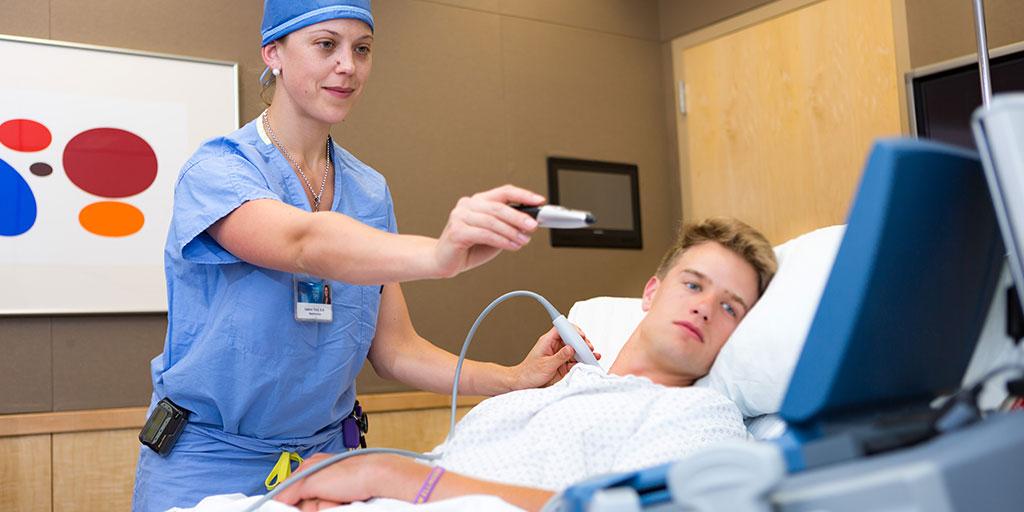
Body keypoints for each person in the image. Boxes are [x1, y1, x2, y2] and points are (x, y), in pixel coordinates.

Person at [132, 1, 589, 510]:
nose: (348, 65)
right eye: (326, 45)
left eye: (362, 49)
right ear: (273, 53)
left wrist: (510, 379)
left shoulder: (368, 191)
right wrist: (440, 256)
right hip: (209, 460)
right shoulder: (218, 170)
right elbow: (302, 244)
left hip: (328, 464)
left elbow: (395, 351)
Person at [272, 218, 778, 512]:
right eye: (693, 284)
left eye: (730, 306)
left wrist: (387, 476)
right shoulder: (558, 384)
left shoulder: (700, 416)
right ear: (651, 292)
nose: (705, 306)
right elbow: (440, 469)